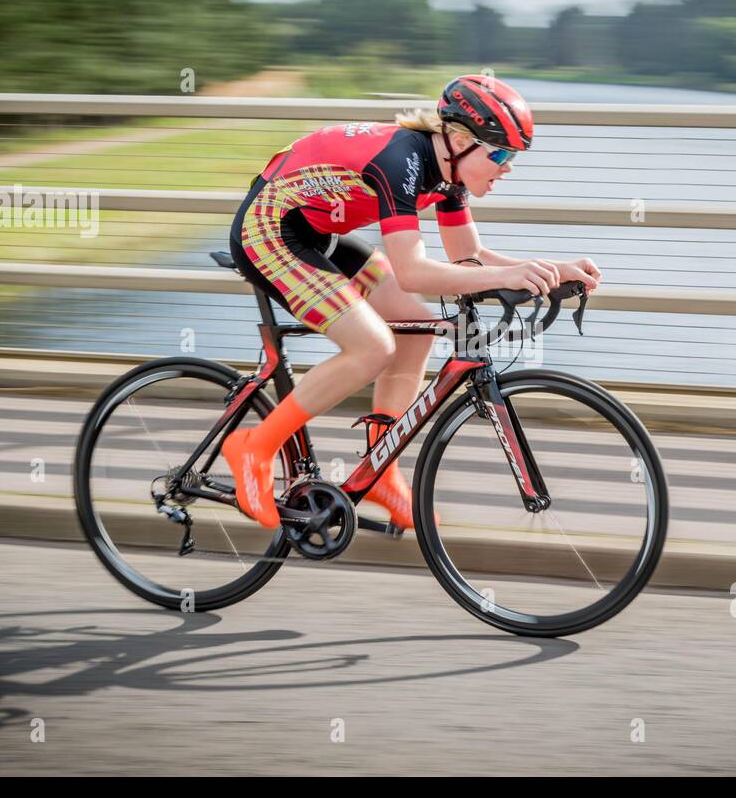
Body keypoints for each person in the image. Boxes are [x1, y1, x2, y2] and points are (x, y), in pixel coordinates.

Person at [223, 74, 602, 531]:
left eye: (513, 157)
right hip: (269, 231)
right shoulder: (401, 160)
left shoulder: (449, 174)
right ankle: (255, 448)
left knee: (414, 332)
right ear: (460, 139)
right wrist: (508, 275)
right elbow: (412, 271)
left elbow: (469, 258)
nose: (507, 168)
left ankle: (380, 470)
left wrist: (550, 270)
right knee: (372, 346)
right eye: (500, 154)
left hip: (317, 234)